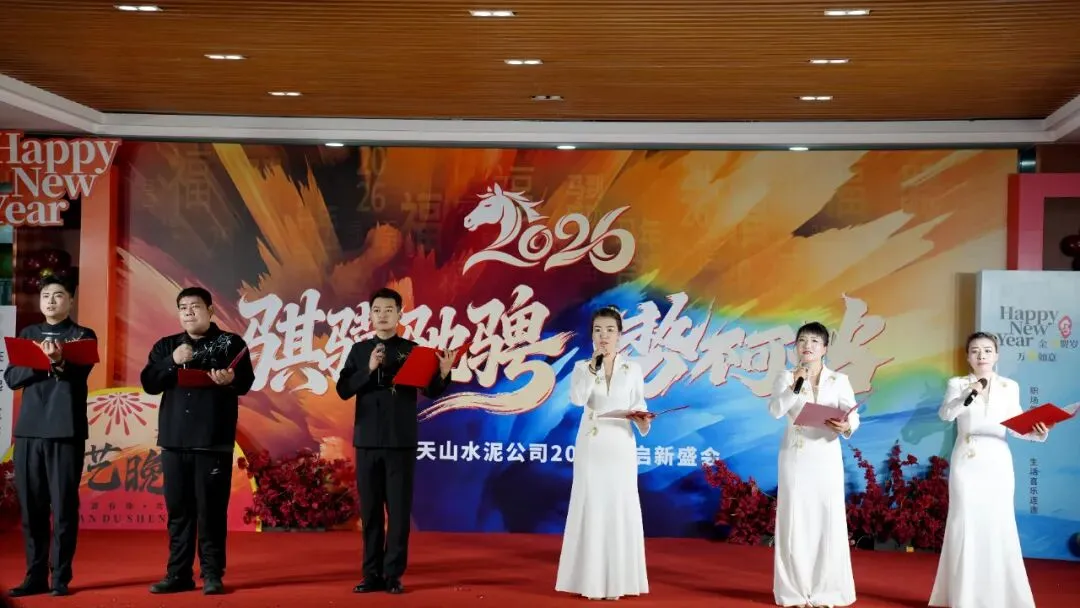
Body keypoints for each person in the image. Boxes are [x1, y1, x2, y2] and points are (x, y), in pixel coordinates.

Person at [337, 287, 455, 595]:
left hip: (400, 441)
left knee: (399, 513)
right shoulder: (359, 350)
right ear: (370, 315)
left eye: (389, 310)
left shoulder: (414, 351)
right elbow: (344, 389)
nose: (383, 315)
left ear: (400, 314)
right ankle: (370, 574)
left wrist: (443, 373)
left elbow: (430, 390)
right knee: (371, 513)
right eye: (377, 310)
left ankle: (392, 575)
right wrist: (369, 369)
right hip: (367, 440)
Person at [140, 287, 254, 595]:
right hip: (174, 440)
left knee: (211, 511)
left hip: (213, 440)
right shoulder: (167, 345)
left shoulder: (231, 343)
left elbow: (246, 382)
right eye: (183, 308)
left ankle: (212, 574)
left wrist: (231, 380)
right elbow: (149, 382)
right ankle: (178, 574)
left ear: (210, 310)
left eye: (195, 306)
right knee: (179, 511)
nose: (189, 312)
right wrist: (172, 361)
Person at [928, 331, 1049, 608]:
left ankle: (1001, 597)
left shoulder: (1009, 386)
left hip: (997, 461)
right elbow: (946, 415)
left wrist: (1038, 432)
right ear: (968, 357)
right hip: (967, 458)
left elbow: (1017, 427)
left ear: (997, 355)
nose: (981, 355)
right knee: (965, 523)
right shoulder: (958, 384)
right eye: (975, 351)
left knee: (998, 523)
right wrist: (967, 395)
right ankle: (963, 597)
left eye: (987, 350)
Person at [5, 276, 97, 597]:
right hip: (28, 432)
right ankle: (34, 576)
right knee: (32, 508)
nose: (51, 301)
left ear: (70, 300)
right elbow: (12, 377)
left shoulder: (82, 335)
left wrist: (59, 360)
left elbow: (79, 373)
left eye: (59, 295)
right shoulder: (28, 334)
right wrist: (42, 361)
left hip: (65, 431)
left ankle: (60, 577)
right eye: (46, 295)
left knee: (63, 506)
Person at [555, 305, 653, 601]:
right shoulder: (582, 367)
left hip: (621, 445)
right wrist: (592, 370)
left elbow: (639, 403)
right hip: (592, 445)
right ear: (592, 335)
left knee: (620, 506)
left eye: (610, 330)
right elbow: (577, 399)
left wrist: (642, 419)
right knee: (592, 505)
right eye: (598, 330)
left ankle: (619, 581)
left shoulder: (632, 369)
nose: (604, 336)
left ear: (620, 335)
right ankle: (591, 582)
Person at [767, 321, 860, 608]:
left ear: (825, 348)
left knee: (826, 519)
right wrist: (796, 385)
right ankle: (795, 592)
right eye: (802, 341)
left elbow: (852, 415)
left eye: (814, 341)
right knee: (795, 519)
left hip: (826, 455)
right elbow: (776, 410)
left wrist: (846, 425)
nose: (807, 346)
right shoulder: (786, 377)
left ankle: (826, 590)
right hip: (796, 455)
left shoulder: (839, 380)